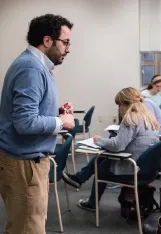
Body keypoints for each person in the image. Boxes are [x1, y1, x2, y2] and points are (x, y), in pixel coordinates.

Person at [0, 14, 75, 234]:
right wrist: (61, 121)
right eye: (66, 42)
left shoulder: (35, 66)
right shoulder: (31, 68)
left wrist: (55, 112)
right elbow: (24, 123)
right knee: (27, 229)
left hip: (27, 162)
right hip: (24, 165)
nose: (68, 49)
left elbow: (28, 112)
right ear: (48, 40)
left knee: (26, 225)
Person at [62, 87, 160, 211]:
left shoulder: (130, 118)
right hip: (148, 168)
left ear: (126, 103)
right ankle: (79, 179)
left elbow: (117, 145)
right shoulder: (148, 117)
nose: (118, 109)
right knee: (101, 158)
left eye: (119, 105)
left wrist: (98, 140)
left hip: (133, 167)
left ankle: (90, 200)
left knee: (100, 166)